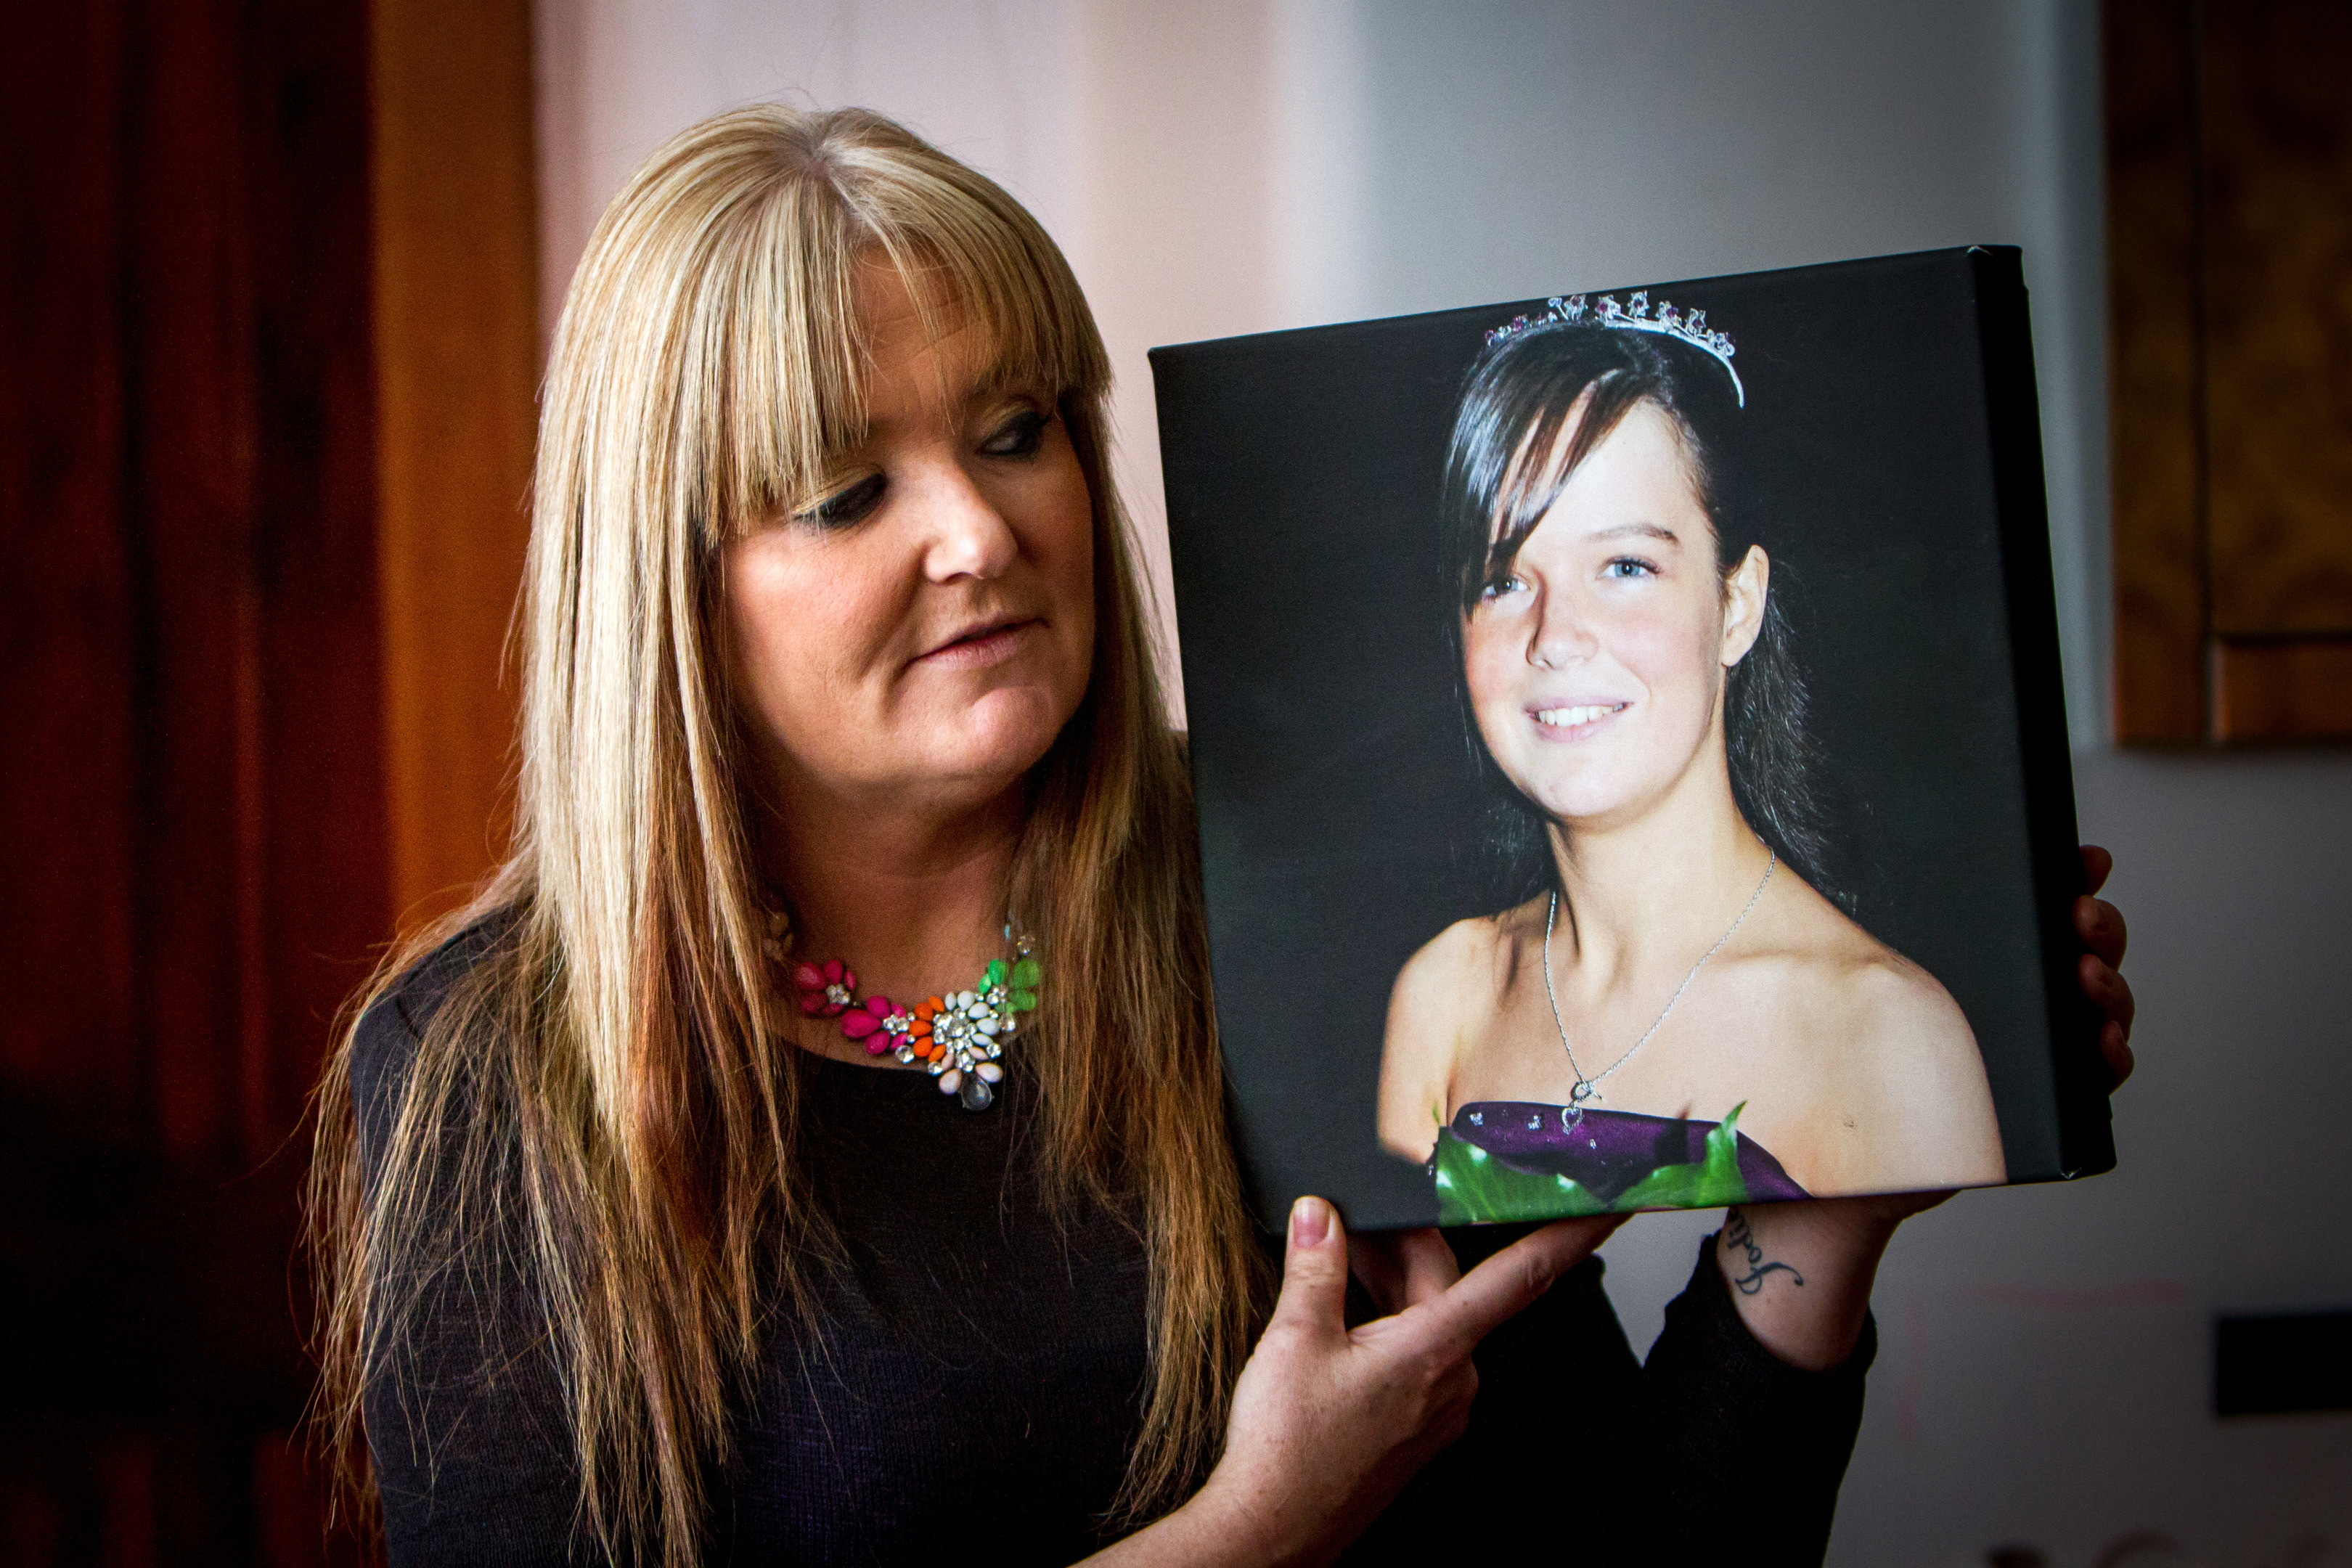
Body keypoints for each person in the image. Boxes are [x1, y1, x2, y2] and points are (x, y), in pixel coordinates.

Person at [307, 106, 2137, 1567]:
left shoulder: (1311, 924)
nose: (978, 529)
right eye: (848, 487)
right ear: (669, 593)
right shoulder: (486, 1074)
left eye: (1016, 429)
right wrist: (1257, 1524)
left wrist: (1820, 1237)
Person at [1377, 301, 2014, 1214]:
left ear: (1739, 603)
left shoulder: (1888, 1036)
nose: (1555, 637)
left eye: (1626, 566)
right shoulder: (1445, 995)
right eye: (1506, 578)